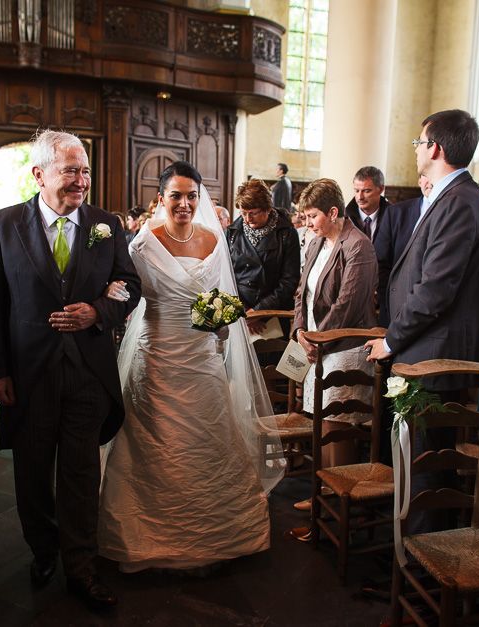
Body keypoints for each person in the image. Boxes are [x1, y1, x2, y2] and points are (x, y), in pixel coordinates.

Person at [0, 130, 140, 609]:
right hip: (30, 372)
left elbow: (129, 284)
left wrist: (98, 312)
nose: (81, 180)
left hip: (88, 369)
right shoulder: (3, 225)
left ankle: (82, 568)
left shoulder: (105, 224)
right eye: (70, 170)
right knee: (31, 473)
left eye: (85, 170)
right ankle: (42, 548)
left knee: (80, 474)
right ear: (39, 174)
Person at [98, 161, 279, 573]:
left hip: (201, 358)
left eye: (191, 196)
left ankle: (218, 533)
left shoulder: (215, 240)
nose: (183, 203)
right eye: (175, 195)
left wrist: (219, 324)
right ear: (160, 199)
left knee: (209, 439)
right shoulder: (143, 244)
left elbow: (219, 294)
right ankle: (147, 537)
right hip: (157, 354)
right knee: (154, 444)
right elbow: (126, 293)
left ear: (200, 199)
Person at [365, 109, 479, 532]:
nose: (417, 150)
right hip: (425, 348)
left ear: (435, 148)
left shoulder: (460, 202)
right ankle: (412, 551)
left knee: (427, 467)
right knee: (417, 460)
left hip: (434, 355)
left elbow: (437, 288)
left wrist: (392, 339)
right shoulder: (452, 197)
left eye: (420, 143)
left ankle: (426, 564)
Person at [294, 179, 378, 472]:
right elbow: (301, 291)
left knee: (335, 422)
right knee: (319, 418)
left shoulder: (358, 246)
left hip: (345, 346)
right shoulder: (316, 241)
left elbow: (347, 306)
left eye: (312, 216)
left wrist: (317, 341)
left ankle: (338, 492)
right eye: (304, 217)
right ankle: (321, 490)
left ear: (332, 212)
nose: (308, 223)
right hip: (315, 345)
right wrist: (300, 333)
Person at [225, 179, 300, 334]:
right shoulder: (232, 233)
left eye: (252, 213)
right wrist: (245, 312)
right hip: (239, 314)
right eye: (243, 213)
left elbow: (289, 281)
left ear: (267, 208)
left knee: (272, 357)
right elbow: (226, 275)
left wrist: (259, 312)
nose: (247, 219)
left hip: (274, 314)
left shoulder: (286, 234)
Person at [373, 175, 427, 327]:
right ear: (419, 181)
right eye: (424, 177)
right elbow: (380, 262)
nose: (429, 182)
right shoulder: (396, 213)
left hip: (431, 312)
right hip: (393, 308)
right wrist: (390, 295)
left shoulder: (451, 213)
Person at [345, 166, 389, 241]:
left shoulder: (394, 217)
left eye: (366, 191)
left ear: (381, 189)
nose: (360, 197)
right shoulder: (343, 217)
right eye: (357, 191)